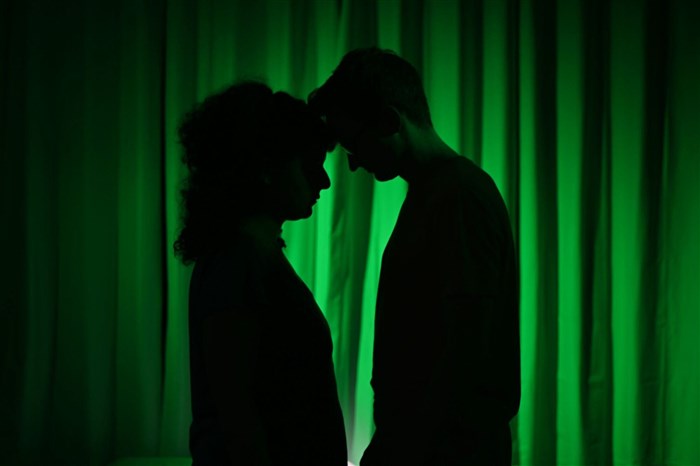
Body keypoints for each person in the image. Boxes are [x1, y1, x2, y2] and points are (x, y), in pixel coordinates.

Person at [309, 47, 521, 465]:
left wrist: (401, 445)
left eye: (353, 143)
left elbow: (465, 347)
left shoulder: (457, 196)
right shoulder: (439, 193)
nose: (353, 164)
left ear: (390, 122)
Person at [174, 81, 347, 465]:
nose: (323, 180)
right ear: (267, 167)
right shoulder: (236, 263)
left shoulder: (250, 258)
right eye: (310, 164)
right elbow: (238, 419)